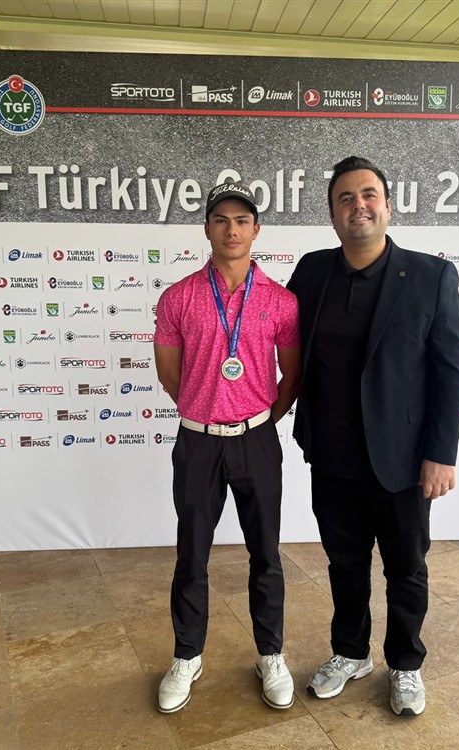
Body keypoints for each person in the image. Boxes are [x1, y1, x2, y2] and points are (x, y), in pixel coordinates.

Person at [286, 156, 459, 716]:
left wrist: (441, 453)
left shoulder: (432, 276)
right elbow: (278, 339)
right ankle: (350, 652)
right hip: (332, 456)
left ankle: (406, 663)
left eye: (368, 195)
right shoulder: (311, 272)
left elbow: (451, 371)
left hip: (404, 460)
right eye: (345, 198)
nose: (358, 206)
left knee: (406, 567)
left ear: (388, 206)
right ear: (332, 214)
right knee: (344, 563)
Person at [153, 180, 301, 714]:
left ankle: (271, 654)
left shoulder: (281, 301)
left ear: (256, 230)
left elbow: (292, 376)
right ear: (207, 229)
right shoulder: (178, 297)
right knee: (191, 554)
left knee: (266, 554)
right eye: (221, 220)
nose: (231, 229)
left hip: (257, 440)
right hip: (197, 442)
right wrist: (204, 408)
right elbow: (170, 375)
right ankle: (187, 655)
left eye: (241, 221)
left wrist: (260, 420)